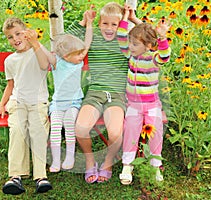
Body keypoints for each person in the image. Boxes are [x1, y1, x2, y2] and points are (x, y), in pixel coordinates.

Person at [0, 17, 53, 195]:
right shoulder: (10, 60)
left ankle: (41, 176)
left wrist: (36, 43)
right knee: (17, 129)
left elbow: (45, 64)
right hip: (17, 102)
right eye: (10, 37)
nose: (15, 39)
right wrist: (1, 105)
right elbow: (10, 85)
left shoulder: (37, 51)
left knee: (38, 130)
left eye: (18, 34)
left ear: (26, 32)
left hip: (37, 102)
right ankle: (15, 176)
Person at [66, 2, 128, 183]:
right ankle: (90, 159)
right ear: (99, 23)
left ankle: (108, 161)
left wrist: (130, 18)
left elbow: (147, 38)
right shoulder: (92, 38)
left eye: (114, 24)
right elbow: (66, 39)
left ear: (120, 25)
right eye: (105, 23)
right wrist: (85, 21)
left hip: (116, 95)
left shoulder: (124, 41)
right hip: (95, 93)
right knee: (81, 128)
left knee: (116, 133)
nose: (109, 28)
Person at [117, 5, 171, 185]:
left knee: (155, 131)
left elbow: (164, 55)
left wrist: (161, 36)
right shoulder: (130, 55)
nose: (130, 46)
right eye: (131, 43)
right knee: (131, 130)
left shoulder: (152, 58)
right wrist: (128, 17)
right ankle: (127, 164)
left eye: (135, 44)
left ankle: (155, 165)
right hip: (132, 104)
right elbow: (122, 36)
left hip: (152, 105)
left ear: (148, 45)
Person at [47, 12, 93, 173]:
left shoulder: (77, 63)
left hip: (74, 103)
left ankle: (70, 157)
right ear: (66, 55)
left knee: (69, 124)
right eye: (78, 54)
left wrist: (89, 24)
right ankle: (55, 160)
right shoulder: (56, 62)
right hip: (57, 104)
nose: (82, 56)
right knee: (55, 127)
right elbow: (57, 46)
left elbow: (86, 43)